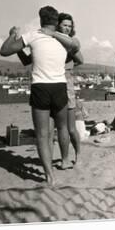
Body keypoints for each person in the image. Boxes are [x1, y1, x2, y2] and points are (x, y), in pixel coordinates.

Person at [0, 6, 79, 185]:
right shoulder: (64, 39)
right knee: (63, 128)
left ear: (41, 20)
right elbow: (77, 48)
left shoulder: (33, 35)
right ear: (56, 22)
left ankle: (49, 175)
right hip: (60, 87)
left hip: (41, 87)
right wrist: (55, 34)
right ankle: (65, 160)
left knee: (43, 134)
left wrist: (13, 34)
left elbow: (4, 51)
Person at [12, 13, 84, 166]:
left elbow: (81, 59)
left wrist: (68, 67)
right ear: (58, 25)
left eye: (70, 26)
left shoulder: (68, 43)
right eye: (64, 25)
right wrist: (18, 46)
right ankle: (50, 161)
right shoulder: (46, 41)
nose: (67, 28)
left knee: (70, 128)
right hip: (49, 86)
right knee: (50, 131)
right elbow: (27, 60)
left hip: (66, 84)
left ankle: (77, 155)